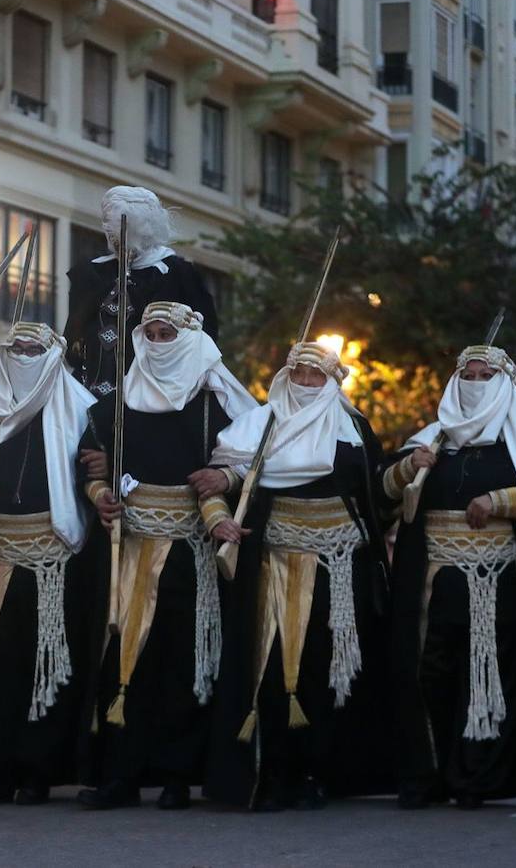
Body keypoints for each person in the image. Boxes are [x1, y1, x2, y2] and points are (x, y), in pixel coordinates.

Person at [198, 340, 395, 811]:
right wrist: (216, 519)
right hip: (273, 562)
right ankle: (271, 772)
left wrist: (407, 471)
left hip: (340, 568)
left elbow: (378, 494)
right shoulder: (256, 426)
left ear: (333, 383)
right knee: (271, 664)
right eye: (299, 374)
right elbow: (215, 483)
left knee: (328, 668)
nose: (307, 384)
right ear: (285, 378)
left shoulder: (354, 429)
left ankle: (317, 772)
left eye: (317, 376)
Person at [76, 302, 257, 811]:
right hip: (130, 550)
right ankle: (120, 775)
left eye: (167, 332)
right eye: (150, 333)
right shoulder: (114, 406)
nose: (158, 340)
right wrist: (100, 496)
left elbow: (252, 460)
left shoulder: (216, 402)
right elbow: (89, 466)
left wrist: (226, 478)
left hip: (193, 552)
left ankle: (179, 775)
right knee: (126, 662)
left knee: (186, 662)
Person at [381, 344, 516, 810]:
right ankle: (426, 774)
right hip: (433, 579)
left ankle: (475, 779)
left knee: (486, 675)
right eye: (469, 375)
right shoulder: (433, 439)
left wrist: (499, 502)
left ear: (503, 385)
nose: (476, 383)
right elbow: (380, 490)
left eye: (485, 376)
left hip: (495, 578)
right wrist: (406, 468)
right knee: (430, 672)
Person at [0, 322, 106, 807]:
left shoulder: (80, 408)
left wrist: (101, 488)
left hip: (55, 560)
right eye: (17, 348)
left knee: (46, 665)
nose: (25, 355)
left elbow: (89, 472)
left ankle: (38, 773)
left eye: (34, 348)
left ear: (52, 354)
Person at [64, 186, 219, 398]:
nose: (113, 237)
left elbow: (201, 339)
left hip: (153, 396)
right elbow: (74, 340)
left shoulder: (176, 274)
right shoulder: (92, 274)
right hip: (88, 393)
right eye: (110, 229)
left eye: (120, 230)